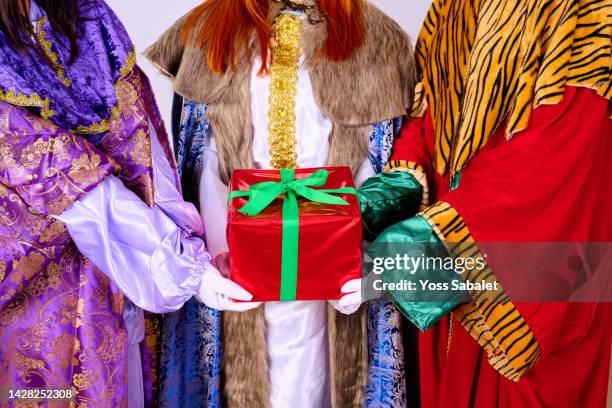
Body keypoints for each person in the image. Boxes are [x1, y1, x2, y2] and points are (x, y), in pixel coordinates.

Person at [146, 0, 417, 406]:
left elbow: (375, 158)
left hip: (330, 271)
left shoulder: (375, 35)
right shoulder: (208, 29)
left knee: (319, 383)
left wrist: (368, 259)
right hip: (235, 261)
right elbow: (203, 161)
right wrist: (213, 260)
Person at [365, 0, 612, 406]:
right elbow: (426, 114)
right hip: (449, 253)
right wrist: (397, 185)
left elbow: (569, 140)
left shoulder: (586, 10)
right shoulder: (449, 8)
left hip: (528, 266)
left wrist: (430, 237)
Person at [0, 0, 221, 406]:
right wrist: (177, 263)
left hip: (114, 284)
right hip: (33, 300)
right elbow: (56, 170)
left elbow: (142, 142)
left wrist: (185, 245)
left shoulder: (87, 16)